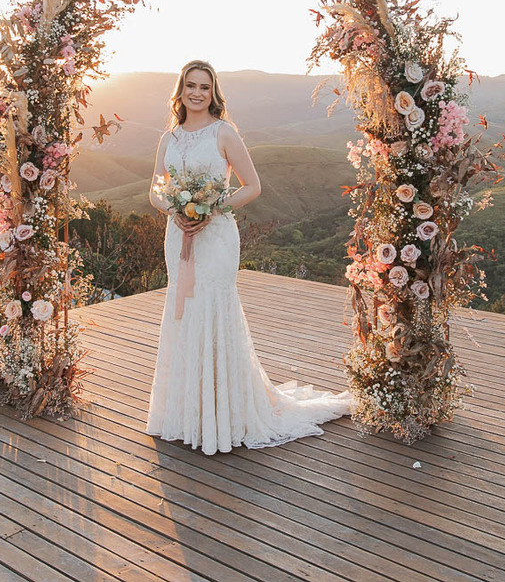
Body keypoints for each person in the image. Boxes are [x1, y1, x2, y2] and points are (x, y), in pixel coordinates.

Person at [145, 60, 352, 455]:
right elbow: (155, 189)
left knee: (214, 311)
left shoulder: (224, 133)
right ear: (180, 90)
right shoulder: (168, 138)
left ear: (213, 92)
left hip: (217, 237)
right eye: (190, 85)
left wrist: (211, 208)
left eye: (204, 87)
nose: (197, 93)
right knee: (184, 312)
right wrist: (174, 210)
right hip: (179, 237)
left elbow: (252, 186)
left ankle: (225, 414)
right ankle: (187, 413)